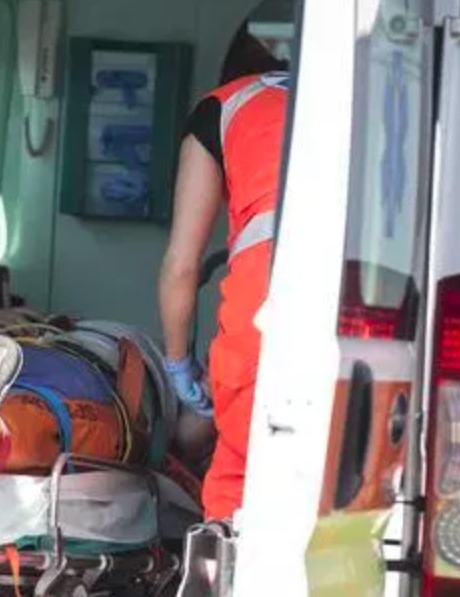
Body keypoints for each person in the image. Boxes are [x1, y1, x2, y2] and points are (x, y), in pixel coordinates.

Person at [158, 23, 289, 521]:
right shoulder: (360, 95)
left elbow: (181, 265)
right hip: (377, 298)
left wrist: (178, 365)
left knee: (238, 482)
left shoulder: (224, 106)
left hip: (267, 303)